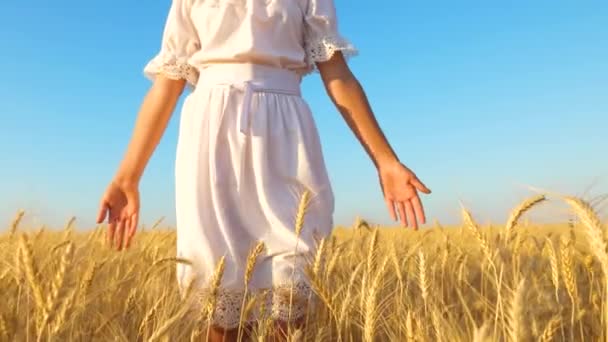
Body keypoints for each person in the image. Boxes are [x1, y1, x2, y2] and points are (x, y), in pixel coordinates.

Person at [96, 0, 431, 340]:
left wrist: (385, 160)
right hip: (212, 132)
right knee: (219, 285)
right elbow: (168, 82)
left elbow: (338, 74)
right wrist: (128, 176)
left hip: (285, 131)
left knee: (293, 279)